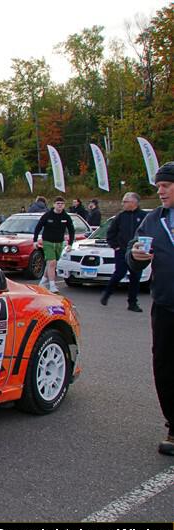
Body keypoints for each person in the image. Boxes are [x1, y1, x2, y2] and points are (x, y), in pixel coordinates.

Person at [127, 161, 174, 456]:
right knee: (166, 367)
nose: (160, 191)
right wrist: (136, 256)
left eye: (166, 186)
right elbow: (134, 255)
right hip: (166, 305)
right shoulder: (153, 220)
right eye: (158, 186)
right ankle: (173, 425)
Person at [101, 192, 147, 311]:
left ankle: (132, 303)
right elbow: (111, 233)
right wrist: (115, 246)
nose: (123, 204)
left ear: (134, 203)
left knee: (135, 277)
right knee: (119, 273)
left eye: (125, 201)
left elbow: (149, 232)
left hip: (137, 252)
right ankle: (107, 293)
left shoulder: (144, 216)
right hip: (122, 251)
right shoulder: (120, 217)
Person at [32, 196, 75, 293]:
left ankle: (43, 281)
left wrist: (70, 244)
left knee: (51, 264)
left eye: (62, 204)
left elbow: (71, 230)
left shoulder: (66, 217)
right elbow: (38, 227)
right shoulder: (47, 215)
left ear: (64, 205)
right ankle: (52, 285)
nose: (60, 205)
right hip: (48, 242)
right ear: (54, 205)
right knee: (52, 263)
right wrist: (35, 240)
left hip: (59, 243)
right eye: (58, 203)